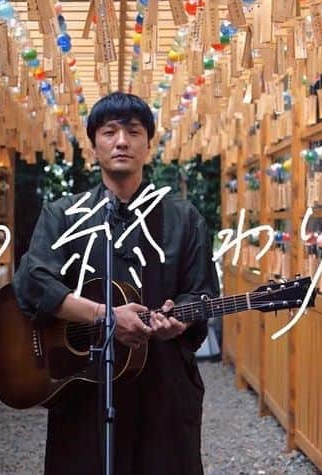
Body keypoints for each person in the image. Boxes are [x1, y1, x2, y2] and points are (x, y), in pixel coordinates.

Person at [13, 92, 220, 475]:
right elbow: (34, 281)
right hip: (84, 383)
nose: (121, 141)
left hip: (161, 381)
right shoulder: (63, 215)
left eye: (133, 132)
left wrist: (182, 319)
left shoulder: (184, 218)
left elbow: (202, 290)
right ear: (94, 146)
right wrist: (103, 315)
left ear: (148, 144)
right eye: (109, 132)